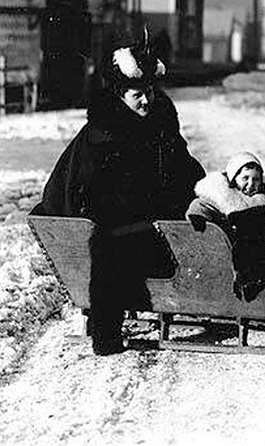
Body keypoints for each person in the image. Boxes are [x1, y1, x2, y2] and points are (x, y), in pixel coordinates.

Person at [35, 41, 205, 355]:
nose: (146, 100)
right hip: (110, 218)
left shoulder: (159, 121)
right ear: (120, 95)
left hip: (151, 215)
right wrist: (149, 212)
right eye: (137, 95)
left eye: (149, 92)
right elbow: (97, 190)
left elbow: (182, 164)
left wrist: (204, 191)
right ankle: (106, 334)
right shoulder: (104, 133)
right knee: (112, 247)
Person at [186, 151, 265, 300]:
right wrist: (197, 216)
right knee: (249, 251)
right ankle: (261, 278)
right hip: (238, 251)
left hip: (264, 247)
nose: (251, 184)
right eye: (245, 178)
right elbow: (199, 205)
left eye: (256, 179)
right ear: (234, 178)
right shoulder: (223, 196)